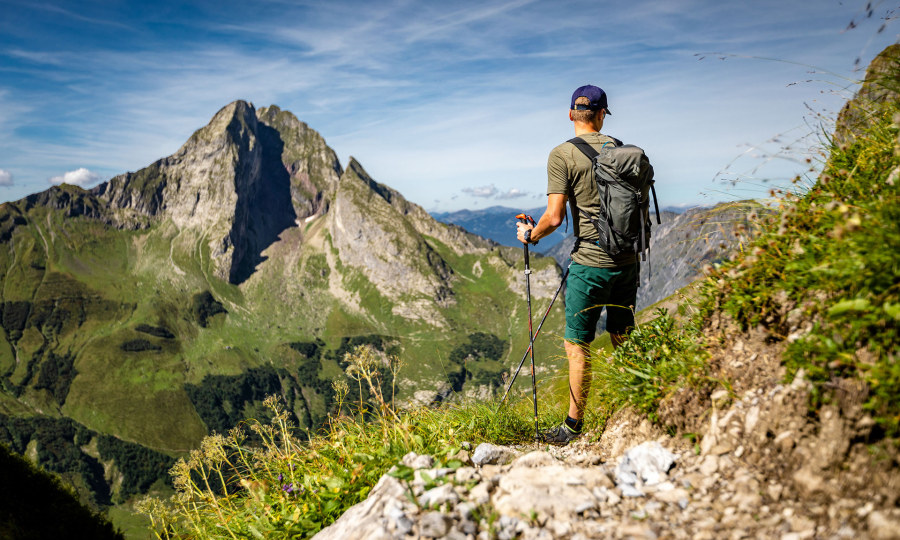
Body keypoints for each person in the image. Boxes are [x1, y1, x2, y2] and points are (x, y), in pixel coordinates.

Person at [516, 84, 648, 445]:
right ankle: (642, 400)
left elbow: (555, 217)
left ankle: (572, 428)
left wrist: (531, 235)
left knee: (578, 346)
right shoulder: (621, 150)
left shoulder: (562, 155)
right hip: (627, 259)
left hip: (590, 262)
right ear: (602, 115)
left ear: (570, 114)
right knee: (623, 335)